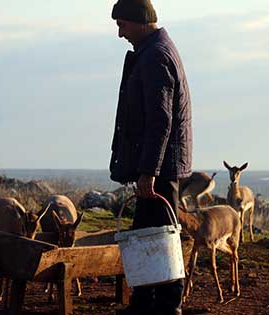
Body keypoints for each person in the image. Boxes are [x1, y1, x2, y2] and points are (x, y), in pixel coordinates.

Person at [109, 1, 192, 314]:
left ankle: (169, 306)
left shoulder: (156, 55)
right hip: (160, 164)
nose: (120, 34)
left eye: (123, 26)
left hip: (161, 166)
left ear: (140, 21)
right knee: (146, 234)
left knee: (163, 237)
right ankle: (144, 304)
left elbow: (160, 121)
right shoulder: (153, 50)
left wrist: (149, 171)